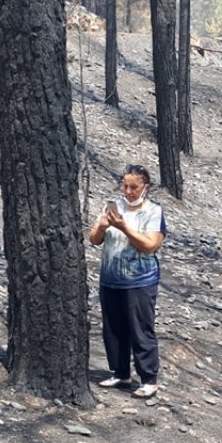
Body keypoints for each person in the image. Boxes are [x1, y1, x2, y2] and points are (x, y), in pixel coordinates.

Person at [88, 164, 166, 397]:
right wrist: (102, 226)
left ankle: (149, 378)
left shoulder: (154, 211)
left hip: (140, 281)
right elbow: (94, 239)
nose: (128, 191)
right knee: (113, 329)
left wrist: (125, 227)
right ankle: (120, 373)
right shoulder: (114, 207)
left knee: (141, 329)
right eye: (125, 186)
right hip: (110, 278)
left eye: (134, 187)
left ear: (145, 187)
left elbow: (150, 245)